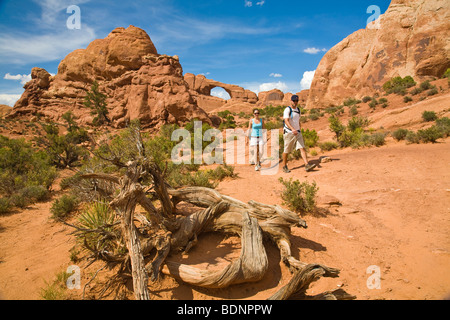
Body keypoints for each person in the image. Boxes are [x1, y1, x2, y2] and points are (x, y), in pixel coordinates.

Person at [281, 95, 316, 173]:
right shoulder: (287, 109)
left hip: (297, 132)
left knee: (302, 148)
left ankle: (307, 165)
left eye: (296, 101)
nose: (295, 102)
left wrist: (299, 129)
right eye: (294, 101)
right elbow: (286, 121)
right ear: (291, 101)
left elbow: (298, 121)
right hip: (289, 132)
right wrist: (292, 129)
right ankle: (284, 166)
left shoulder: (298, 110)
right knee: (287, 150)